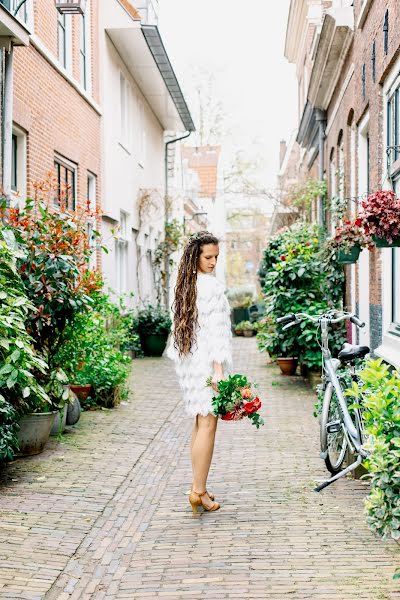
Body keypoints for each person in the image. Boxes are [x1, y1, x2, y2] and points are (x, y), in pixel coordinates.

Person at [167, 231, 232, 514]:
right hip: (206, 363)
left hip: (189, 362)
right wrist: (218, 370)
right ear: (195, 257)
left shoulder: (185, 284)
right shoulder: (211, 288)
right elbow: (216, 333)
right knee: (208, 424)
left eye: (216, 257)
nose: (213, 262)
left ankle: (198, 486)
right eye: (208, 257)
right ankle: (198, 491)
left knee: (199, 422)